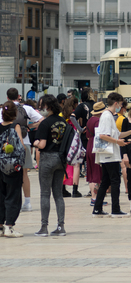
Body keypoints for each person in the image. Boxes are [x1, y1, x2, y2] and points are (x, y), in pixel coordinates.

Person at [2, 88, 43, 213]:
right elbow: (41, 120)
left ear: (7, 97)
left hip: (6, 146)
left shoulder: (3, 110)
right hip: (24, 143)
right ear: (18, 96)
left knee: (6, 175)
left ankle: (9, 202)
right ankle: (28, 202)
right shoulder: (27, 108)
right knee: (24, 174)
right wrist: (30, 126)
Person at [92, 93, 131, 218]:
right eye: (120, 104)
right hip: (109, 155)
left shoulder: (109, 116)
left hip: (110, 155)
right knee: (115, 181)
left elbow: (117, 134)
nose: (121, 107)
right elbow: (103, 135)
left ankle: (97, 208)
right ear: (116, 103)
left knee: (106, 181)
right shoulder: (106, 116)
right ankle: (115, 209)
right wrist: (117, 142)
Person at [33, 95, 68, 236]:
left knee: (45, 194)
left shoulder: (45, 123)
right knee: (58, 194)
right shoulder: (63, 122)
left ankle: (44, 227)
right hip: (61, 159)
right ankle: (61, 226)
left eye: (42, 106)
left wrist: (35, 143)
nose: (41, 109)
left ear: (47, 106)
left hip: (47, 158)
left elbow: (42, 144)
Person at [0, 101, 26, 238]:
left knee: (1, 195)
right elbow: (21, 146)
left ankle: (0, 226)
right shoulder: (15, 126)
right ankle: (9, 226)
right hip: (12, 167)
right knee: (13, 195)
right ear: (15, 113)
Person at [86, 102, 105, 206]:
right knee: (97, 173)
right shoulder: (98, 121)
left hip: (89, 145)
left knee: (92, 173)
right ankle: (95, 198)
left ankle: (94, 198)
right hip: (96, 147)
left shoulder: (90, 120)